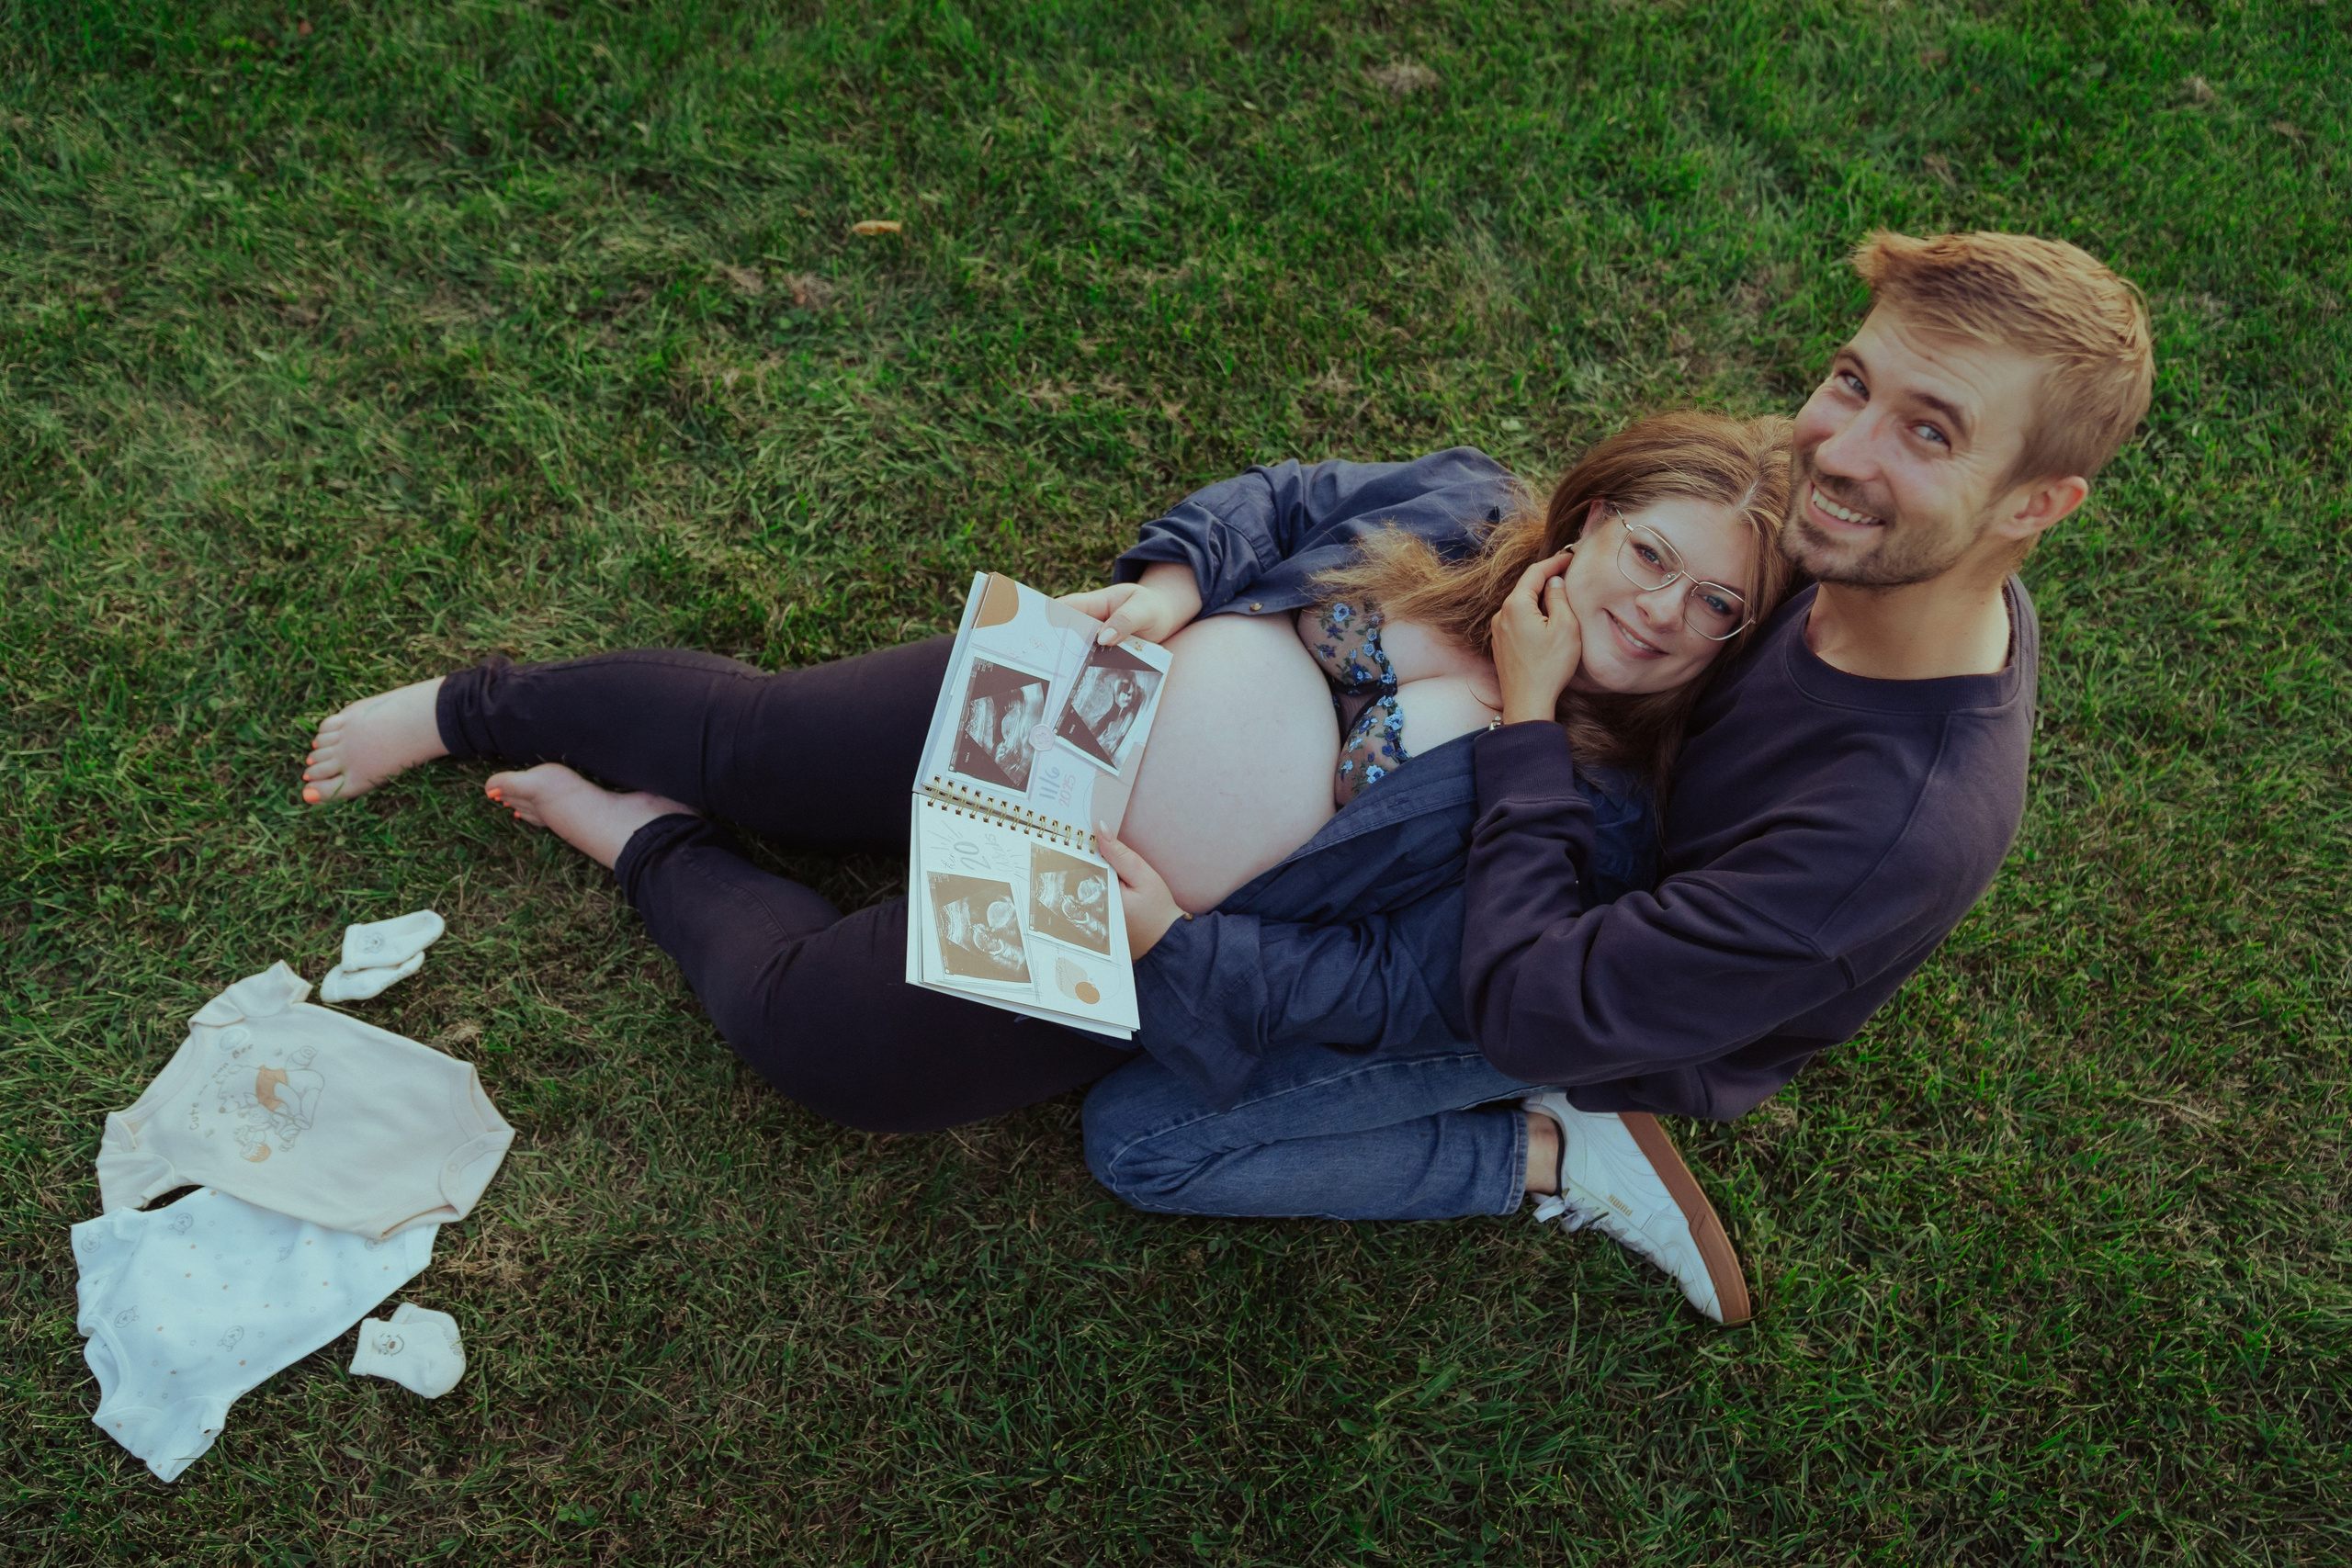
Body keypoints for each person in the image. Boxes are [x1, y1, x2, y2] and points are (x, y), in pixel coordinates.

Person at [1083, 230, 2154, 1325]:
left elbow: (1531, 1004)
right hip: (1584, 867)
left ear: (2034, 507)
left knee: (1143, 1139)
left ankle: (1550, 1150)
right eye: (1850, 381)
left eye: (1928, 431)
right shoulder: (1856, 545)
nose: (1838, 453)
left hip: (1593, 1000)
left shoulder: (1885, 832)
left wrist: (1532, 714)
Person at [292, 414, 1785, 1170]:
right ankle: (463, 704)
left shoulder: (1583, 812)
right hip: (1057, 708)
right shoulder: (1464, 504)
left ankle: (641, 842)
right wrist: (1176, 575)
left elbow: (1389, 983)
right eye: (1653, 553)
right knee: (760, 740)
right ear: (1592, 518)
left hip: (1107, 925)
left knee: (825, 1034)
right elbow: (1283, 501)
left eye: (1716, 609)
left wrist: (1171, 945)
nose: (1663, 609)